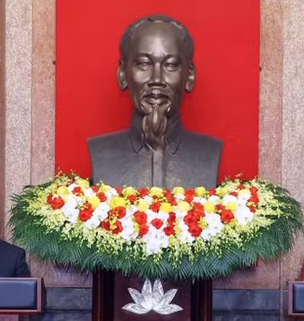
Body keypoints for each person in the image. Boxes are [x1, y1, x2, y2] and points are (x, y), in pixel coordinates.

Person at [88, 14, 222, 189]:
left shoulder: (208, 152)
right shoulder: (101, 152)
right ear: (123, 74)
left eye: (170, 65)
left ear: (189, 76)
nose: (156, 79)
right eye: (143, 64)